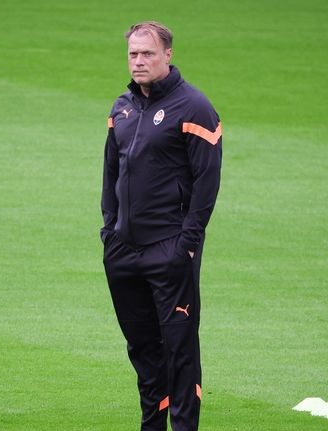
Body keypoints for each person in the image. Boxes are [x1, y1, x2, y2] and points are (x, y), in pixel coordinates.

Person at [100, 21, 223, 431]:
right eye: (133, 54)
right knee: (144, 353)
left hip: (170, 251)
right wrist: (109, 232)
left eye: (147, 54)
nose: (139, 61)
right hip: (124, 253)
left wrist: (187, 244)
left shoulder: (195, 108)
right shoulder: (122, 108)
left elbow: (207, 182)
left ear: (168, 55)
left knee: (180, 353)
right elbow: (111, 174)